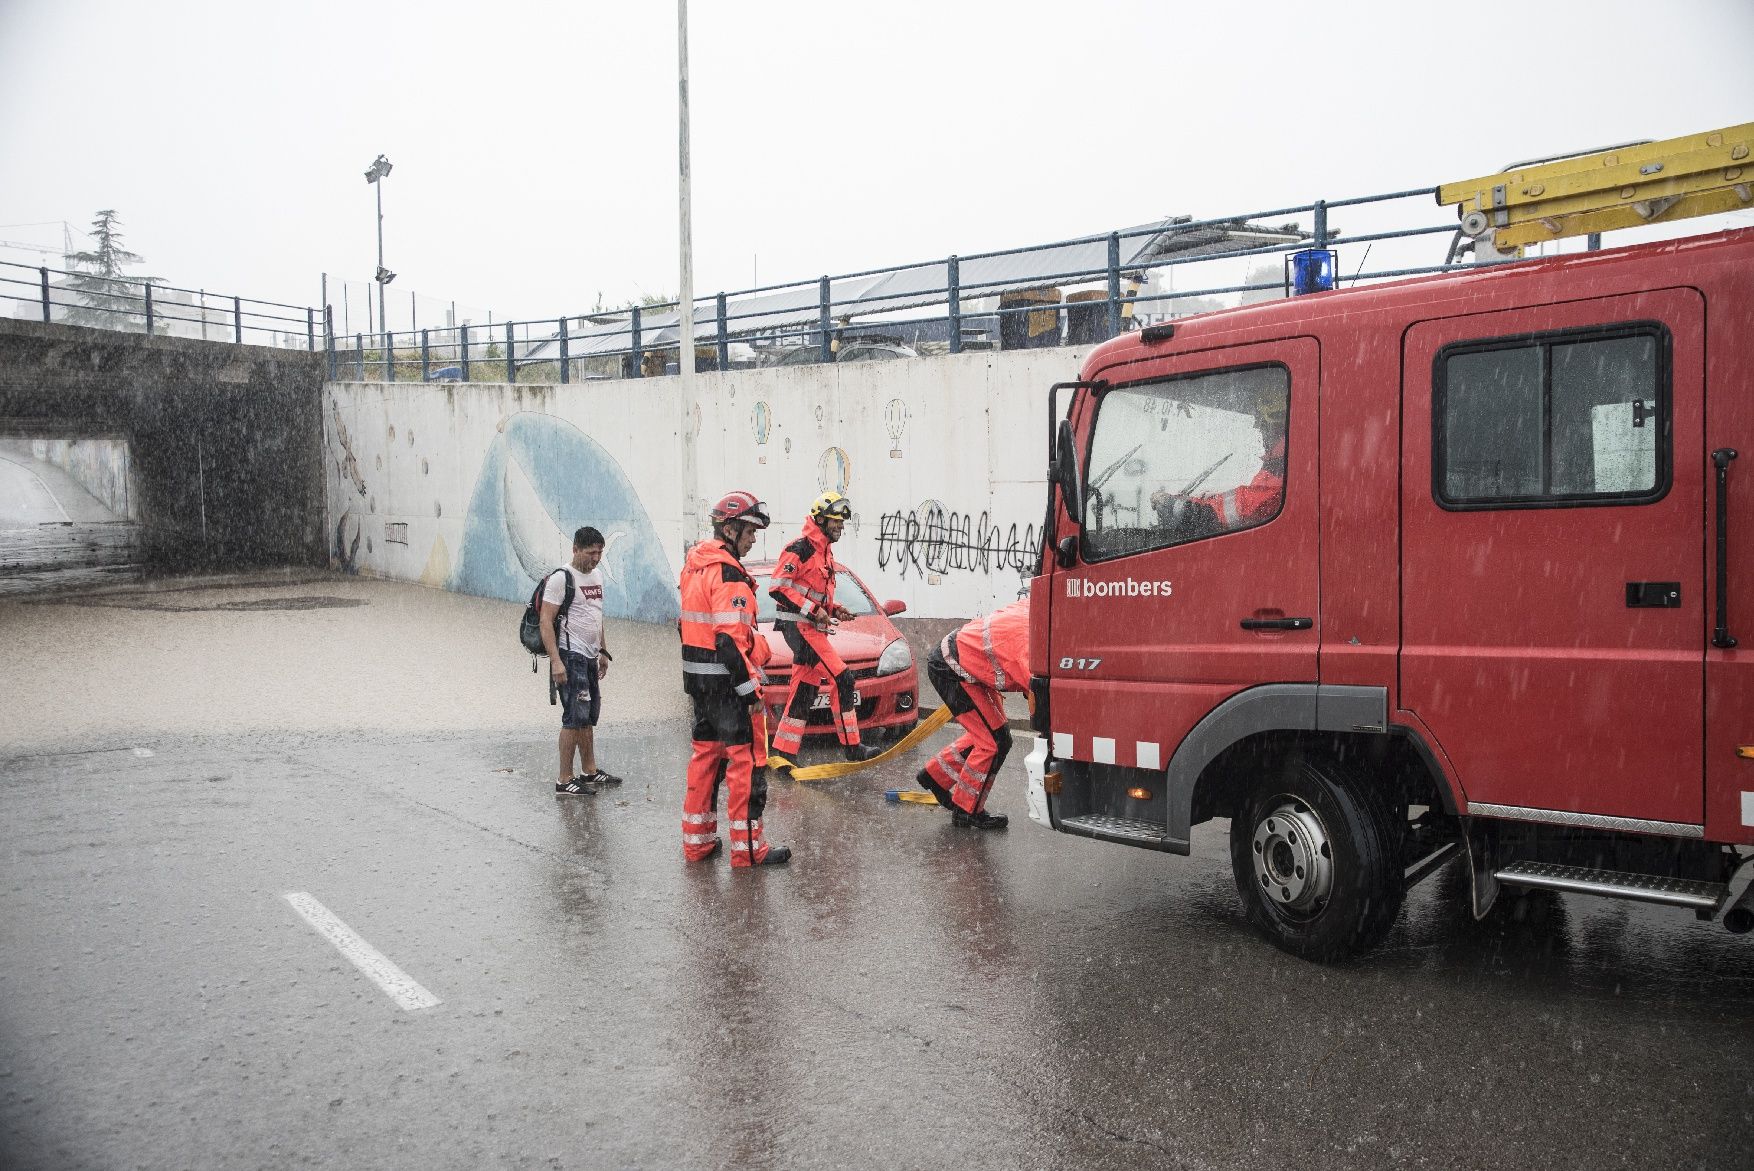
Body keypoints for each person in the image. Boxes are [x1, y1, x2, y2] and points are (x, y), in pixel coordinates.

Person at [680, 491, 792, 867]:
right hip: (728, 688)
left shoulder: (696, 566)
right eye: (749, 532)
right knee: (747, 765)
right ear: (729, 529)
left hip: (701, 685)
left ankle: (698, 843)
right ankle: (748, 851)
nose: (752, 539)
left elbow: (693, 628)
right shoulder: (729, 574)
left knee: (705, 761)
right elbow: (728, 641)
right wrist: (750, 693)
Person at [766, 491, 884, 771]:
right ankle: (853, 748)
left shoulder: (824, 552)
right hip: (798, 627)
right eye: (835, 522)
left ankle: (783, 752)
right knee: (843, 679)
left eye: (841, 523)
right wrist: (813, 611)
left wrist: (833, 609)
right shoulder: (802, 548)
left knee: (804, 688)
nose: (840, 527)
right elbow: (778, 587)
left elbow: (813, 593)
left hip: (810, 626)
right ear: (820, 520)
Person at [916, 598, 1031, 830]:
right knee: (993, 743)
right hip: (952, 668)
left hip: (966, 666)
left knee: (992, 736)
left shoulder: (1035, 612)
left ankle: (935, 775)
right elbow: (1038, 693)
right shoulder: (1028, 646)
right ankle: (966, 811)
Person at [541, 526, 621, 795]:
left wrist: (603, 652)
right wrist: (556, 662)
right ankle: (564, 779)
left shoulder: (597, 575)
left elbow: (596, 616)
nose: (596, 558)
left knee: (587, 716)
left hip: (590, 655)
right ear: (575, 549)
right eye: (590, 553)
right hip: (570, 655)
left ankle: (589, 771)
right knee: (574, 717)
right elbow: (545, 622)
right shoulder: (561, 579)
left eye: (600, 552)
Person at [1150, 383, 1288, 537]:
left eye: (1262, 423)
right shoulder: (1282, 464)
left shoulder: (1281, 470)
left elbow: (1233, 512)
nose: (1259, 430)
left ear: (1277, 426)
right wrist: (1190, 501)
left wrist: (1177, 506)